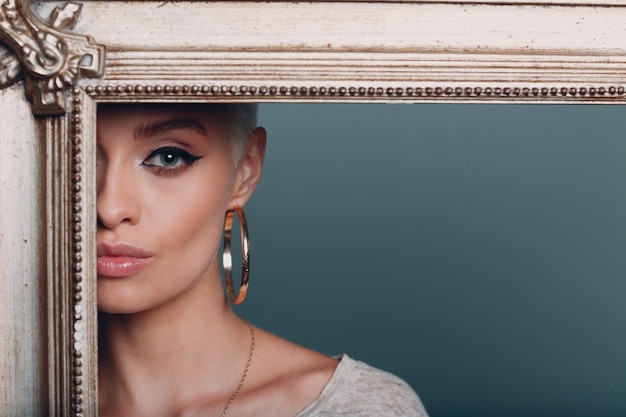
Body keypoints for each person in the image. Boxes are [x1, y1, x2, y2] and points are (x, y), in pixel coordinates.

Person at [96, 102, 428, 417]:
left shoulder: (360, 408)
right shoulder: (44, 393)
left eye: (168, 158)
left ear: (246, 169)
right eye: (76, 152)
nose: (109, 209)